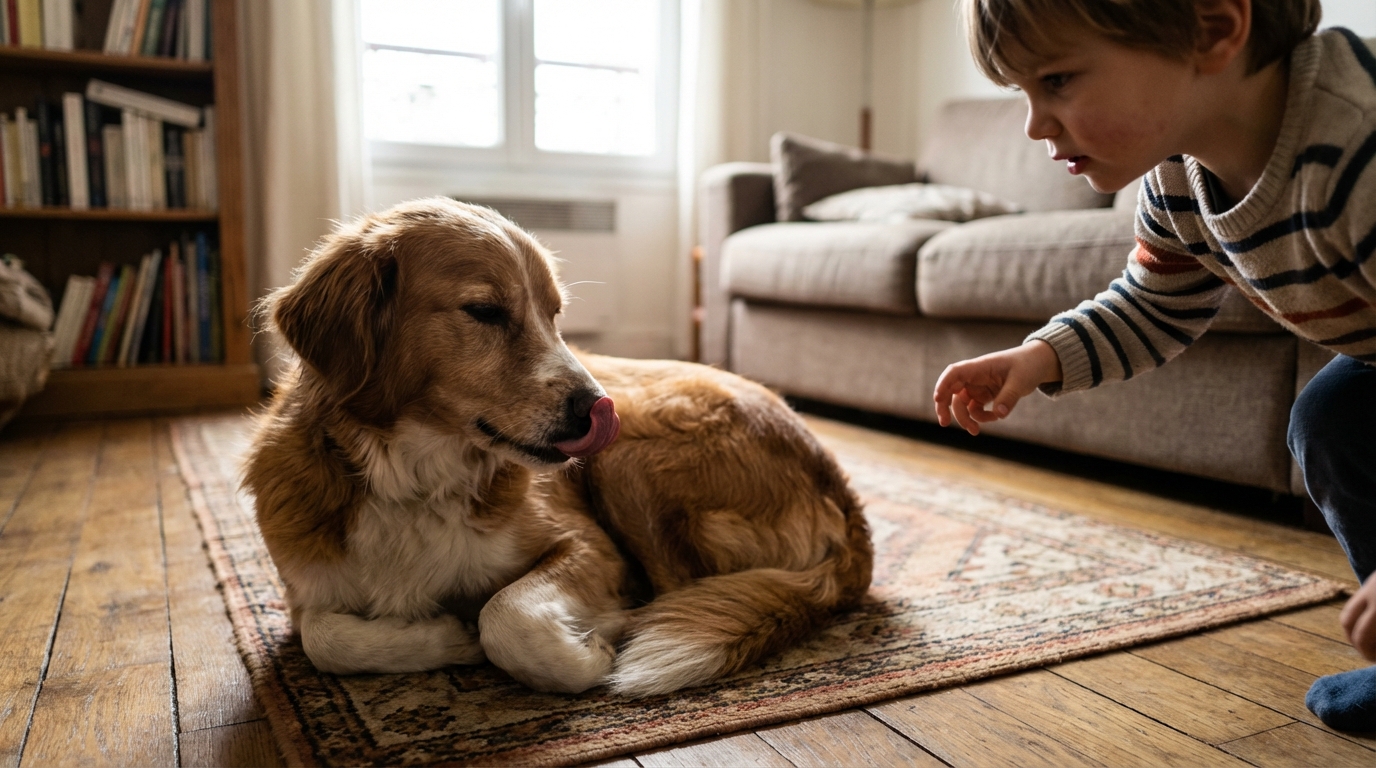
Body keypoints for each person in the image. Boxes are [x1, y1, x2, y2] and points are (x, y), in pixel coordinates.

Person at [933, 0, 1376, 731]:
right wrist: (1038, 358)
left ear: (1212, 29)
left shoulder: (1356, 145)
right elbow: (1154, 303)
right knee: (1335, 420)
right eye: (1023, 93)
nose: (1034, 125)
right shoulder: (1176, 181)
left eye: (1059, 80)